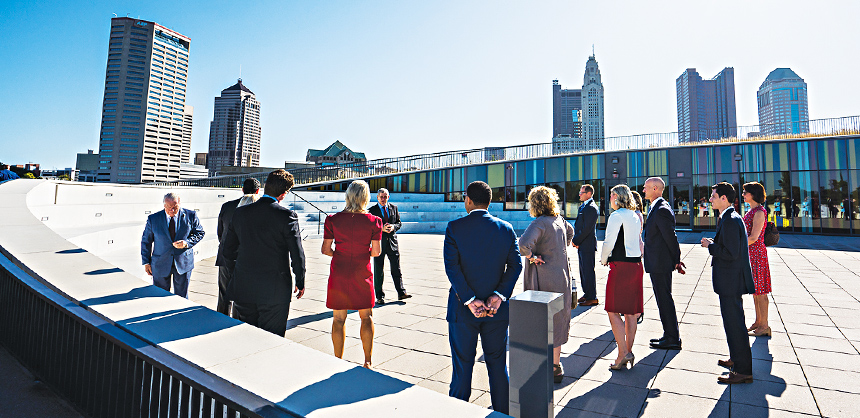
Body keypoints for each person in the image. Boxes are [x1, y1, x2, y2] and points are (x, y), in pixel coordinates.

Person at [444, 181, 521, 414]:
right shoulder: (505, 228)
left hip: (462, 311)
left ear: (468, 199)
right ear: (489, 202)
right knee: (497, 365)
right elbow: (515, 266)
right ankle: (503, 413)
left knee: (462, 367)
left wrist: (469, 300)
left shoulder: (454, 227)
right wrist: (498, 296)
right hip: (496, 312)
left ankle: (457, 411)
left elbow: (452, 268)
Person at [222, 170, 306, 336]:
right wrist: (300, 280)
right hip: (274, 292)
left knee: (247, 336)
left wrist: (237, 274)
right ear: (283, 194)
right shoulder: (287, 216)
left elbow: (228, 251)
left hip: (244, 288)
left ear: (266, 187)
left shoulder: (240, 213)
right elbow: (297, 253)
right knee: (272, 340)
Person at [321, 180, 382, 369]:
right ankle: (367, 361)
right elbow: (376, 252)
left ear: (348, 195)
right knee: (366, 317)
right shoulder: (375, 221)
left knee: (338, 319)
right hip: (362, 272)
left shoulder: (333, 219)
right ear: (366, 197)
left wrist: (339, 253)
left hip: (339, 271)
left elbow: (325, 249)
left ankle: (337, 360)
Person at [701, 182, 755, 384]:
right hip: (729, 280)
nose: (710, 199)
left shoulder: (730, 220)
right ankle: (736, 359)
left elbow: (730, 253)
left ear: (724, 198)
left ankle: (743, 370)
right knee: (732, 323)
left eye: (714, 196)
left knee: (735, 324)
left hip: (730, 281)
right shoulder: (728, 217)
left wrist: (710, 246)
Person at [518, 186, 574, 383]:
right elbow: (570, 232)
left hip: (544, 277)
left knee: (541, 319)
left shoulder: (539, 223)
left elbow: (523, 244)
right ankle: (556, 366)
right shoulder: (559, 219)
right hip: (562, 276)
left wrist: (533, 257)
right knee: (558, 319)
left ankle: (541, 364)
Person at [600, 185, 644, 370]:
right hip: (635, 266)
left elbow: (609, 241)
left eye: (611, 195)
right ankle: (628, 351)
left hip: (621, 267)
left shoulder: (616, 216)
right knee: (631, 313)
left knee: (612, 310)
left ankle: (622, 353)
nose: (610, 198)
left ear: (617, 196)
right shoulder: (635, 215)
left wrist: (603, 259)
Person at [642, 177, 684, 351]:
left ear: (654, 188)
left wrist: (676, 260)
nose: (643, 190)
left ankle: (672, 338)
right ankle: (669, 335)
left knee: (664, 299)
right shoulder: (657, 207)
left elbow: (670, 237)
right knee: (662, 299)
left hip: (660, 263)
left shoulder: (661, 209)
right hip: (658, 261)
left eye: (645, 187)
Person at [141, 193, 205, 298]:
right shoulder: (153, 219)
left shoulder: (191, 215)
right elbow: (146, 241)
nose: (172, 211)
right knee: (159, 297)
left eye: (175, 207)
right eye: (169, 207)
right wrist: (146, 262)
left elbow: (200, 233)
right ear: (164, 205)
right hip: (160, 264)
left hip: (183, 264)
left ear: (179, 204)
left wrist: (187, 243)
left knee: (182, 298)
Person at [215, 178, 261, 316]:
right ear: (258, 191)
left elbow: (220, 233)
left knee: (224, 293)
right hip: (247, 258)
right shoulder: (258, 209)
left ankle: (221, 320)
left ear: (242, 189)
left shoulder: (227, 206)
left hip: (226, 256)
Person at [368, 188, 410, 304]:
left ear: (388, 197)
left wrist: (393, 227)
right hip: (379, 244)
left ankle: (401, 293)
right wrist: (380, 229)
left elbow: (399, 223)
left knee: (396, 268)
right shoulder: (371, 211)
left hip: (392, 243)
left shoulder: (394, 208)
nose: (383, 199)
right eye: (381, 197)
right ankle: (379, 296)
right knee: (378, 270)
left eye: (385, 197)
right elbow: (369, 227)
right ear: (377, 197)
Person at [742, 182, 772, 337]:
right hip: (751, 253)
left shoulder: (759, 212)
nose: (743, 195)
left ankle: (764, 326)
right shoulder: (752, 210)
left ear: (753, 194)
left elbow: (754, 237)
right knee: (756, 291)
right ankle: (758, 322)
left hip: (756, 254)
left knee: (761, 292)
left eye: (745, 192)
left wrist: (735, 243)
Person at [572, 184, 599, 307]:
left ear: (589, 194)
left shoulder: (591, 208)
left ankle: (592, 297)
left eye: (582, 192)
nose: (579, 194)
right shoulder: (583, 206)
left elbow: (587, 228)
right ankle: (587, 294)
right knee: (583, 271)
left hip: (587, 245)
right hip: (582, 244)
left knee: (588, 271)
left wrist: (576, 240)